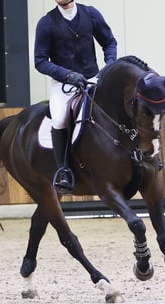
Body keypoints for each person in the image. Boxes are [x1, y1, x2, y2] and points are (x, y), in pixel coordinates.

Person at [34, 0, 117, 193]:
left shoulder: (91, 14)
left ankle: (139, 155)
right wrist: (67, 75)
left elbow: (109, 42)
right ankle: (64, 170)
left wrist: (110, 65)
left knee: (117, 106)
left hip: (93, 79)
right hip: (63, 85)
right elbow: (40, 61)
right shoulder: (46, 23)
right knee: (60, 118)